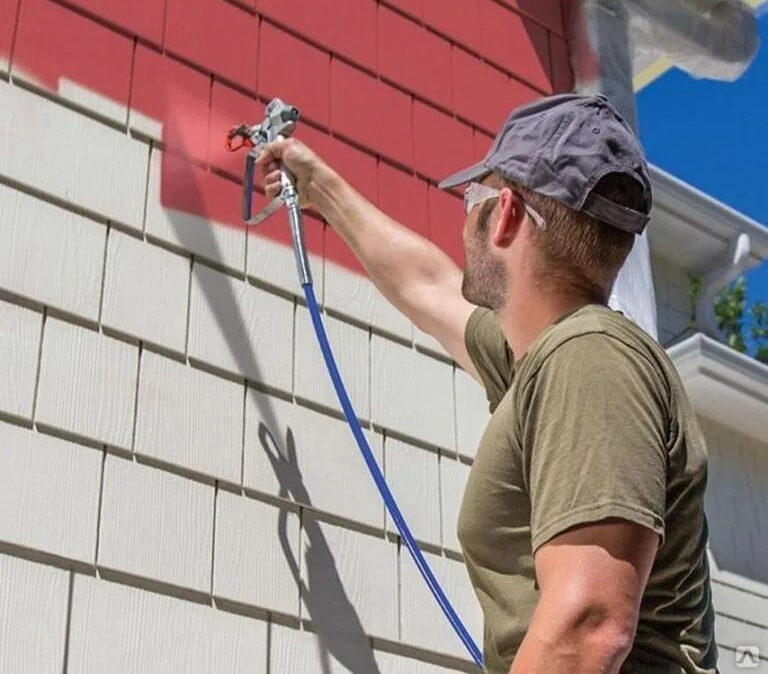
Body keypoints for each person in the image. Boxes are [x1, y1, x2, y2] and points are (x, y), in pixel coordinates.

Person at [258, 93, 717, 674]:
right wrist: (319, 186)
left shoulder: (589, 360)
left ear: (505, 213)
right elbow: (427, 286)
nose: (464, 214)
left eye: (473, 197)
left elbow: (589, 626)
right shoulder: (545, 363)